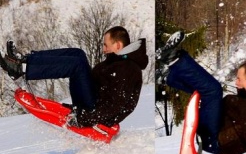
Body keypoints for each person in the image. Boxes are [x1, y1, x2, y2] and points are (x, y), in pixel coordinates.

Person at [0, 26, 148, 128]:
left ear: (118, 45)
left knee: (77, 64)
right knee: (78, 54)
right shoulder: (118, 61)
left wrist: (83, 119)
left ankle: (23, 69)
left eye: (106, 45)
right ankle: (24, 61)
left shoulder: (128, 69)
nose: (103, 50)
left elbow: (116, 106)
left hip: (93, 113)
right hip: (93, 103)